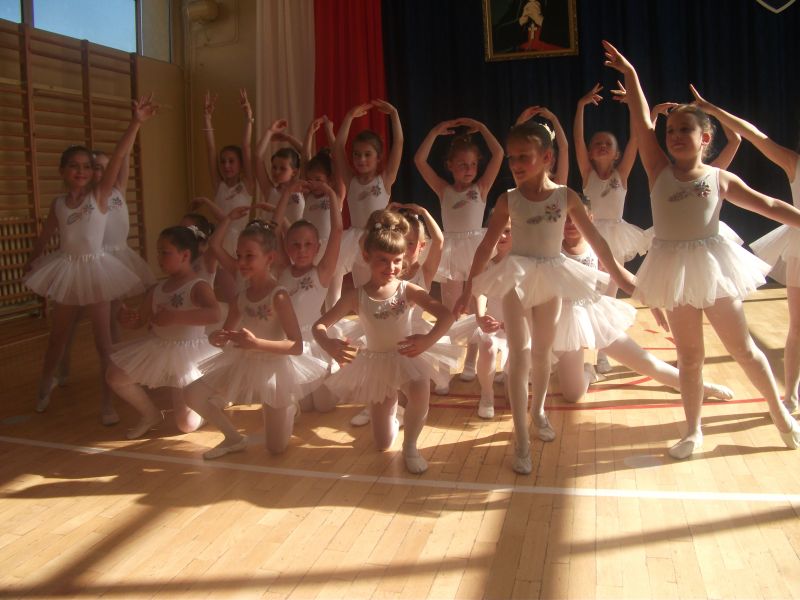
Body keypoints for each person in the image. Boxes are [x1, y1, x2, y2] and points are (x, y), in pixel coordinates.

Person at [603, 39, 800, 457]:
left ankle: (780, 413)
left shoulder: (718, 178)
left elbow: (769, 205)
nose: (675, 136)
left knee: (743, 349)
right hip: (673, 269)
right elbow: (641, 123)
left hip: (712, 267)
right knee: (690, 357)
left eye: (685, 130)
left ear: (705, 136)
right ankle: (693, 431)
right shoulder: (657, 169)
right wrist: (631, 75)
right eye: (671, 131)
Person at [453, 120, 636, 475]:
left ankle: (538, 412)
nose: (516, 164)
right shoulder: (508, 200)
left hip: (552, 276)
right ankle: (520, 438)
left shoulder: (565, 197)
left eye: (524, 157)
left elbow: (597, 240)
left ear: (547, 158)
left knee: (542, 353)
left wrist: (620, 275)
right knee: (519, 354)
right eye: (511, 158)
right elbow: (486, 247)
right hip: (517, 278)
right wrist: (468, 289)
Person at [24, 94, 158, 424]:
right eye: (75, 166)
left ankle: (107, 402)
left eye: (87, 166)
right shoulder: (58, 204)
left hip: (97, 270)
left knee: (104, 343)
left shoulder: (100, 196)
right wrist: (33, 258)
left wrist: (136, 123)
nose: (82, 171)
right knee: (57, 337)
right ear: (62, 171)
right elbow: (46, 234)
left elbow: (118, 157)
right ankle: (44, 385)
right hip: (67, 269)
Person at [313, 209, 455, 474]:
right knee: (382, 444)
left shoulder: (408, 289)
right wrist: (329, 344)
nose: (391, 268)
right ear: (367, 256)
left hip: (407, 356)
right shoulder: (355, 296)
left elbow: (447, 316)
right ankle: (394, 414)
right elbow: (318, 326)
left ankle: (411, 446)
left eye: (397, 261)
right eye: (383, 260)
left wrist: (427, 341)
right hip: (376, 363)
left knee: (420, 391)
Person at [555, 199, 734, 403]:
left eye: (575, 218)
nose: (570, 223)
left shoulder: (596, 248)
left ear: (589, 219)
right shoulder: (551, 248)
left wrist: (652, 302)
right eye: (565, 218)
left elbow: (625, 278)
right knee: (573, 395)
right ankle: (587, 370)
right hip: (561, 321)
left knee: (645, 362)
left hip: (593, 316)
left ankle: (700, 387)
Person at [687, 91, 800, 414]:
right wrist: (712, 109)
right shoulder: (794, 163)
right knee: (798, 327)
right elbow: (754, 135)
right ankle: (791, 394)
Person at [184, 220, 327, 459]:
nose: (241, 262)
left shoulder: (278, 296)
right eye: (239, 255)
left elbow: (296, 346)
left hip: (274, 368)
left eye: (249, 256)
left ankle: (289, 406)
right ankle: (233, 438)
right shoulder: (241, 297)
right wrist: (219, 337)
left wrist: (256, 343)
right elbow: (226, 335)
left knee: (276, 448)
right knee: (192, 394)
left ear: (269, 258)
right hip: (243, 362)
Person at [106, 226, 221, 439]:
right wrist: (127, 319)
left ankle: (211, 404)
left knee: (186, 425)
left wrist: (176, 317)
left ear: (185, 255)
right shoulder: (157, 289)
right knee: (115, 376)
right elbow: (141, 320)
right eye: (158, 252)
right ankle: (150, 415)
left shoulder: (198, 286)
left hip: (188, 355)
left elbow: (214, 314)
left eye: (165, 252)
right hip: (158, 347)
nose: (159, 258)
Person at [414, 118, 503, 384]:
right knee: (450, 310)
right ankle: (448, 364)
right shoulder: (444, 189)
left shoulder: (481, 188)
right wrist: (434, 131)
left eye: (473, 164)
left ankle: (471, 362)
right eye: (462, 164)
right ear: (450, 165)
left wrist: (482, 127)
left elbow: (498, 153)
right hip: (451, 253)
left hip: (477, 251)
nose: (469, 169)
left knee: (477, 307)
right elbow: (419, 160)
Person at [348, 202, 450, 426]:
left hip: (412, 334)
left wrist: (424, 212)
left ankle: (400, 414)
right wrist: (385, 215)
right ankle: (374, 408)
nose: (407, 246)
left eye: (412, 243)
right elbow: (366, 241)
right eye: (404, 240)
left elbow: (440, 240)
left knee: (410, 386)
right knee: (380, 377)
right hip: (382, 330)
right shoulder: (386, 269)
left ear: (421, 246)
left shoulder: (425, 271)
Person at [574, 82, 650, 374]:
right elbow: (577, 140)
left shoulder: (622, 174)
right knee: (587, 296)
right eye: (597, 144)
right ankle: (577, 352)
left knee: (608, 297)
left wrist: (633, 105)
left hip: (616, 238)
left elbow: (636, 138)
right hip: (590, 237)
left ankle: (603, 354)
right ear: (590, 153)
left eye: (608, 143)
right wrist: (581, 107)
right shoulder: (587, 173)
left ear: (617, 154)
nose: (602, 146)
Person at [274, 177, 343, 413]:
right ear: (286, 247)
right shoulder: (282, 269)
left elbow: (337, 231)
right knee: (303, 407)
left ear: (317, 247)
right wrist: (286, 193)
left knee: (323, 406)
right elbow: (274, 230)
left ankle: (334, 372)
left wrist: (331, 194)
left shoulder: (321, 273)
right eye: (295, 244)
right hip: (289, 344)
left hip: (313, 343)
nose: (301, 250)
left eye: (307, 244)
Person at [332, 100, 403, 296]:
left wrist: (394, 114)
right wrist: (349, 117)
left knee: (382, 287)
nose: (361, 159)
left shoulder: (385, 179)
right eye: (356, 154)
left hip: (379, 239)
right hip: (356, 241)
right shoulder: (351, 180)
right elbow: (338, 147)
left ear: (378, 157)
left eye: (367, 154)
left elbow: (398, 144)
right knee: (362, 290)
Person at [201, 89, 256, 304]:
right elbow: (210, 149)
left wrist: (248, 118)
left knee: (244, 293)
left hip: (241, 243)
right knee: (229, 295)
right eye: (223, 161)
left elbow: (246, 146)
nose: (226, 165)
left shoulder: (247, 186)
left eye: (232, 161)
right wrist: (207, 118)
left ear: (241, 164)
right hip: (220, 243)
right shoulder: (219, 186)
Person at [254, 118, 304, 223]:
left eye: (282, 169)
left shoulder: (301, 187)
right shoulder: (270, 191)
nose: (276, 172)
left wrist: (288, 138)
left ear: (294, 172)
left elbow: (306, 153)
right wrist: (270, 131)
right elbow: (257, 157)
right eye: (274, 167)